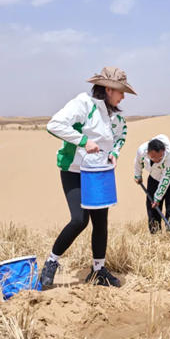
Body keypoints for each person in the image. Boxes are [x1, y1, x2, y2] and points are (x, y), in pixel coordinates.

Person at [40, 66, 136, 288]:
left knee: (101, 222)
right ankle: (51, 263)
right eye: (121, 91)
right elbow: (54, 125)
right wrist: (83, 141)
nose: (123, 96)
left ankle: (98, 271)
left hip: (99, 172)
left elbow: (121, 136)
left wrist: (114, 153)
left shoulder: (116, 116)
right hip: (74, 170)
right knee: (79, 220)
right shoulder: (83, 103)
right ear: (108, 89)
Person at [134, 134, 170, 234]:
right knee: (152, 207)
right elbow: (138, 162)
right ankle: (155, 235)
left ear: (163, 151)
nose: (157, 160)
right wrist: (138, 175)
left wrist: (157, 198)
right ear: (148, 153)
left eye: (160, 157)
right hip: (154, 177)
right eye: (153, 157)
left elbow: (166, 180)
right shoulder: (142, 150)